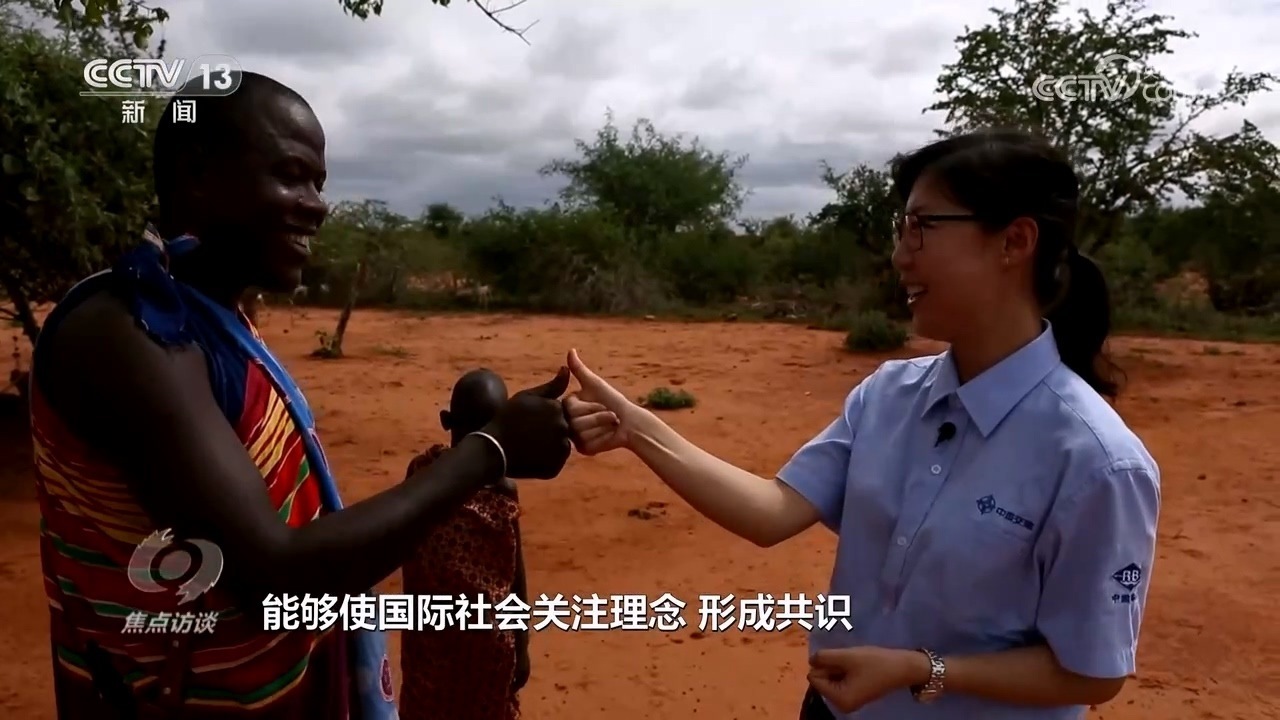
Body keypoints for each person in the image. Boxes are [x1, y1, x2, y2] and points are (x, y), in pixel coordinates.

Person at [562, 129, 1161, 719]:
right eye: (901, 228)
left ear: (1015, 241)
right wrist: (637, 430)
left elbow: (1093, 672)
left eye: (922, 227)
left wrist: (924, 671)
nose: (900, 255)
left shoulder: (1098, 462)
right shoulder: (888, 396)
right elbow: (772, 511)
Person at [29, 71, 572, 720]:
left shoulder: (207, 318)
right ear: (198, 173)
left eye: (319, 183)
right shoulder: (125, 334)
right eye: (291, 175)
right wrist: (489, 451)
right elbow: (273, 577)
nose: (317, 206)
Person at [399, 368, 530, 720]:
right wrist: (521, 645)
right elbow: (517, 577)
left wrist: (522, 645)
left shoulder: (425, 475)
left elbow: (514, 572)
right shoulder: (425, 475)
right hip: (448, 643)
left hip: (461, 644)